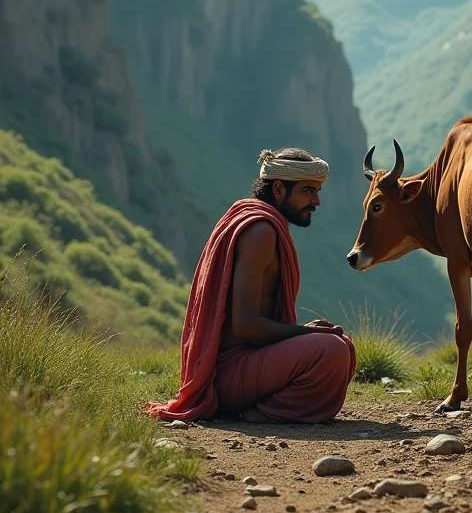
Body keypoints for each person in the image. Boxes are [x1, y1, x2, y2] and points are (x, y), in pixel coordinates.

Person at [145, 147, 356, 424]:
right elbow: (244, 325)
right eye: (307, 191)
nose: (316, 201)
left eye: (317, 191)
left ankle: (263, 408)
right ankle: (259, 413)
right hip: (229, 372)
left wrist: (303, 335)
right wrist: (302, 332)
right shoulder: (261, 232)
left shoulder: (260, 223)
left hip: (246, 364)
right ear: (279, 189)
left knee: (343, 346)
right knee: (333, 350)